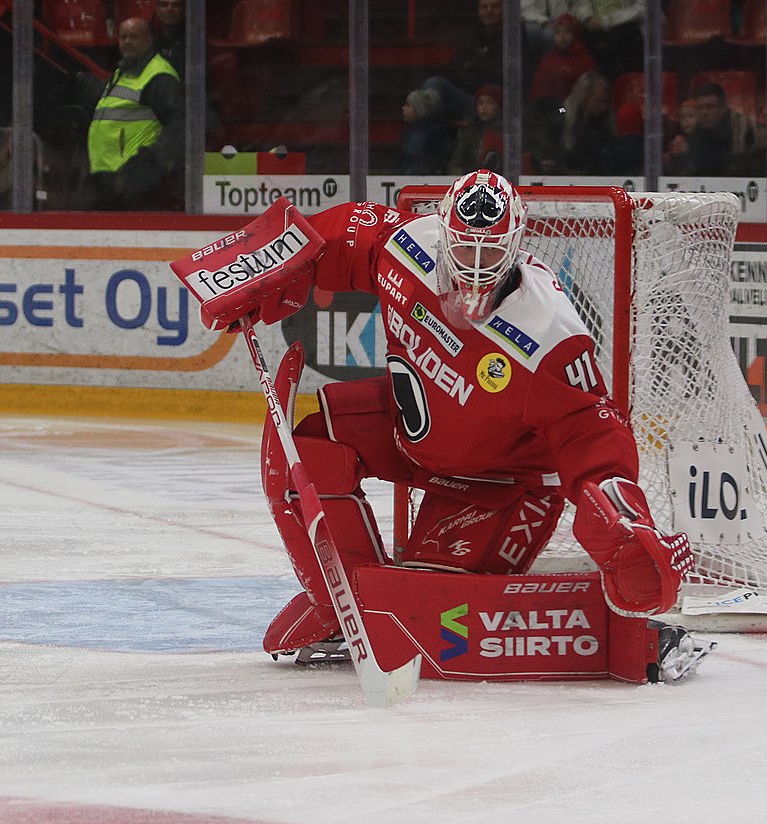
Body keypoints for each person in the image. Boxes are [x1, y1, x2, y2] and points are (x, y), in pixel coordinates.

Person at [203, 171, 696, 670]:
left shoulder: (548, 334)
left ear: (516, 246)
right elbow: (345, 234)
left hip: (504, 482)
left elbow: (593, 431)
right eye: (464, 249)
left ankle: (389, 605)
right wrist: (267, 267)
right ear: (443, 234)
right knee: (306, 452)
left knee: (430, 609)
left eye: (491, 252)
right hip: (411, 435)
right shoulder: (407, 250)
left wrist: (619, 516)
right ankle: (339, 603)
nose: (476, 267)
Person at [79, 17, 184, 210]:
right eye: (123, 37)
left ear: (149, 40)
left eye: (133, 37)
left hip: (133, 182)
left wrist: (144, 166)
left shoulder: (159, 75)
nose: (126, 42)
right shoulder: (123, 71)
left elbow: (177, 128)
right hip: (107, 177)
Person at [424, 0, 504, 121]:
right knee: (429, 95)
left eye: (495, 6)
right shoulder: (472, 35)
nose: (489, 10)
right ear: (479, 11)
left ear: (504, 9)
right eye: (484, 7)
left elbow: (493, 75)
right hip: (465, 96)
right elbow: (454, 68)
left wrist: (470, 68)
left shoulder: (513, 38)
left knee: (433, 91)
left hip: (488, 103)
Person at [679, 80, 763, 177]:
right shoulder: (694, 132)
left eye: (710, 107)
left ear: (723, 108)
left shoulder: (742, 129)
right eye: (700, 108)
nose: (704, 113)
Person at [398, 87, 454, 175]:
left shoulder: (436, 133)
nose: (403, 108)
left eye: (408, 105)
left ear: (419, 109)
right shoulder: (410, 131)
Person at [448, 84, 502, 173]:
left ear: (499, 107)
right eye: (480, 103)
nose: (484, 107)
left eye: (489, 103)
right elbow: (455, 164)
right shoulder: (470, 133)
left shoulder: (507, 133)